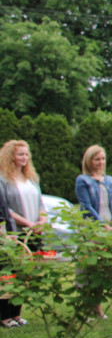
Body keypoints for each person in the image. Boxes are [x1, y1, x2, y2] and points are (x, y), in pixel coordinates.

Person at [0, 140, 46, 328]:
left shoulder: (32, 178)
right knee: (8, 274)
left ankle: (17, 313)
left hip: (33, 232)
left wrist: (42, 221)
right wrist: (27, 223)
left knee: (24, 274)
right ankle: (4, 316)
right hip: (14, 232)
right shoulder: (3, 179)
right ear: (11, 156)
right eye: (20, 154)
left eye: (27, 154)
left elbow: (40, 203)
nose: (24, 158)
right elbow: (5, 209)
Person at [76, 145, 112, 222]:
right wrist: (102, 224)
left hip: (110, 223)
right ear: (89, 161)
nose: (101, 162)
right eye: (97, 159)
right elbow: (87, 207)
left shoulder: (110, 180)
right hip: (93, 225)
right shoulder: (83, 180)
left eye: (103, 159)